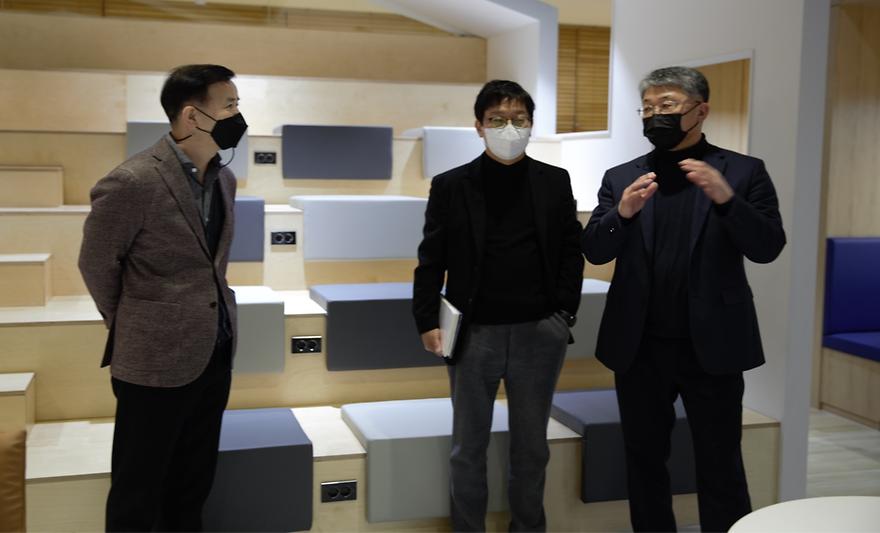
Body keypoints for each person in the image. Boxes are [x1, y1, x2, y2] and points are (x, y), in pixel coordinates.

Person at [581, 66, 786, 532]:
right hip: (640, 345)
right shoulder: (622, 176)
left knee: (721, 461)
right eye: (648, 108)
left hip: (713, 343)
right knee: (644, 460)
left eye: (667, 105)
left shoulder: (742, 171)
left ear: (700, 110)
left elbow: (768, 247)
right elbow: (594, 250)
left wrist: (727, 200)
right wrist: (622, 214)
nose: (656, 115)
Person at [78, 64, 246, 531]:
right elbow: (96, 264)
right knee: (138, 489)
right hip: (152, 359)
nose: (238, 116)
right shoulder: (132, 181)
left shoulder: (225, 179)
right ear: (192, 116)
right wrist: (134, 321)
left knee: (193, 483)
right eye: (230, 105)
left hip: (214, 350)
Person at [412, 79, 584, 531]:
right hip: (473, 333)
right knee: (467, 449)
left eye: (518, 120)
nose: (509, 128)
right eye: (497, 120)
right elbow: (431, 258)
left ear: (531, 124)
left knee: (532, 449)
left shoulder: (554, 181)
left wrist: (563, 314)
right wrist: (426, 319)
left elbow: (571, 251)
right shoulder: (451, 185)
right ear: (479, 126)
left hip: (539, 332)